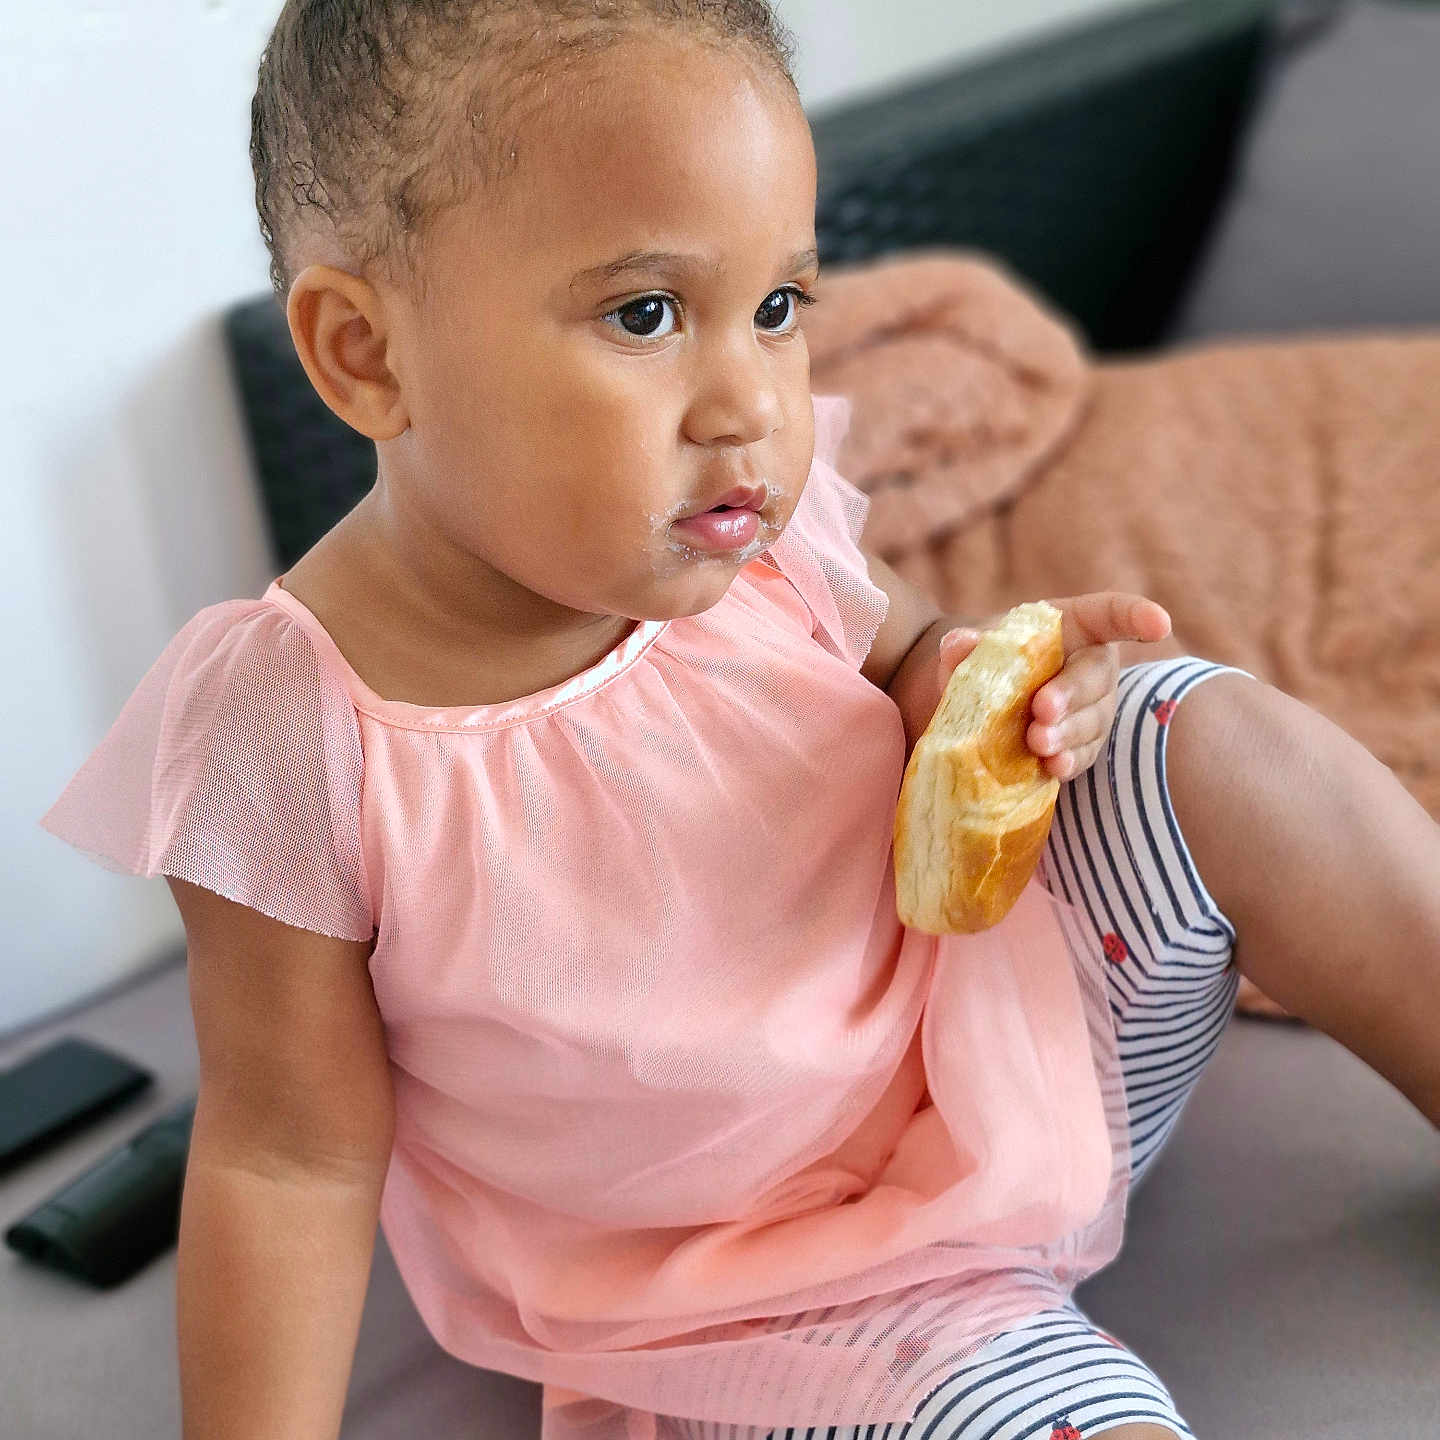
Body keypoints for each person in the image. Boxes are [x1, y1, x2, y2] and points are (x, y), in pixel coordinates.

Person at [41, 3, 1440, 1438]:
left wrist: (1018, 700)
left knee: (1193, 723)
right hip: (778, 1302)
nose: (752, 408)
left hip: (1008, 1063)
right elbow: (288, 1161)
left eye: (778, 307)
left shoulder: (756, 534)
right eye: (645, 314)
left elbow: (915, 665)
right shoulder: (290, 727)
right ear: (365, 355)